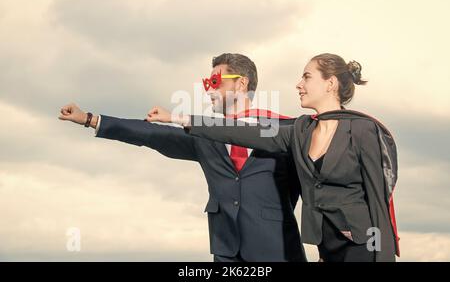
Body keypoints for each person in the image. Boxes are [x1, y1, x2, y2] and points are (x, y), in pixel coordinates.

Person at [149, 53, 400, 262]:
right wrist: (180, 118)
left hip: (363, 244)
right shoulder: (300, 131)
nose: (299, 84)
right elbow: (242, 131)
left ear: (330, 84)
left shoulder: (362, 130)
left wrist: (382, 254)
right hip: (326, 246)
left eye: (307, 76)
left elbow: (379, 202)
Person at [58, 53, 306, 262]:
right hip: (226, 251)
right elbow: (153, 134)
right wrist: (90, 119)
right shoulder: (204, 134)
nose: (209, 89)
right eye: (207, 82)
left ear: (242, 83)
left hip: (279, 250)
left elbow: (318, 185)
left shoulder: (287, 129)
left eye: (215, 81)